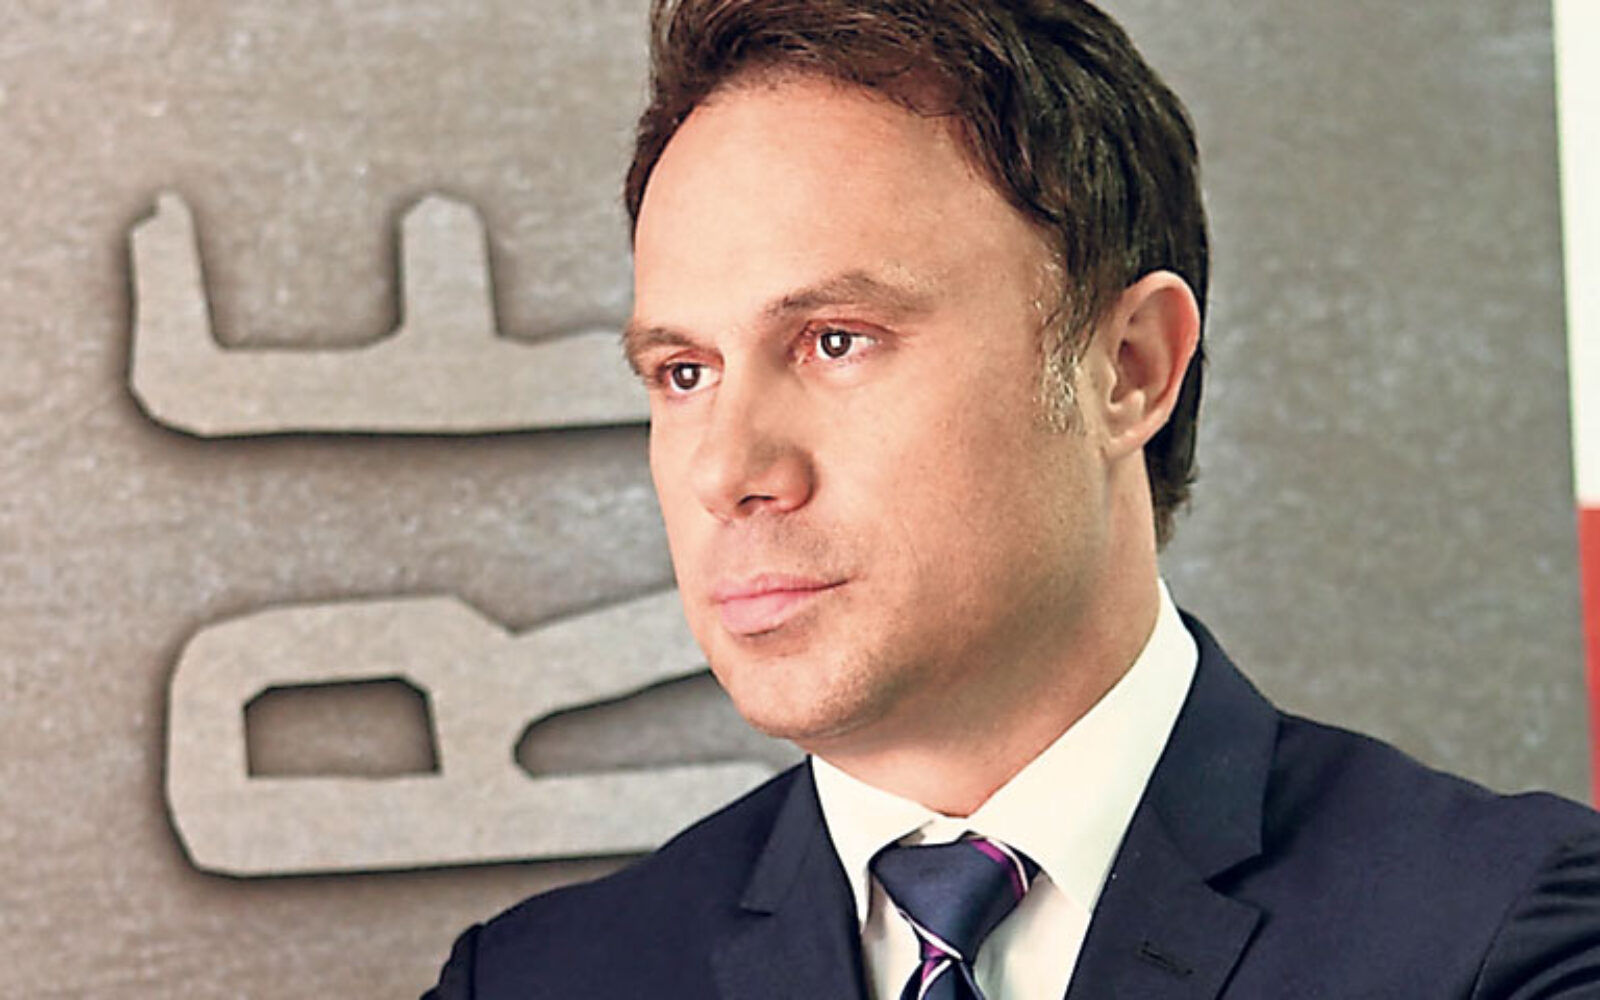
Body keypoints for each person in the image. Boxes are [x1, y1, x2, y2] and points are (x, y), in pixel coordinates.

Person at [425, 1, 1600, 996]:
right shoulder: (533, 979)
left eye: (835, 340)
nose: (728, 472)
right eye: (684, 372)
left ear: (1127, 367)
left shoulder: (1510, 935)